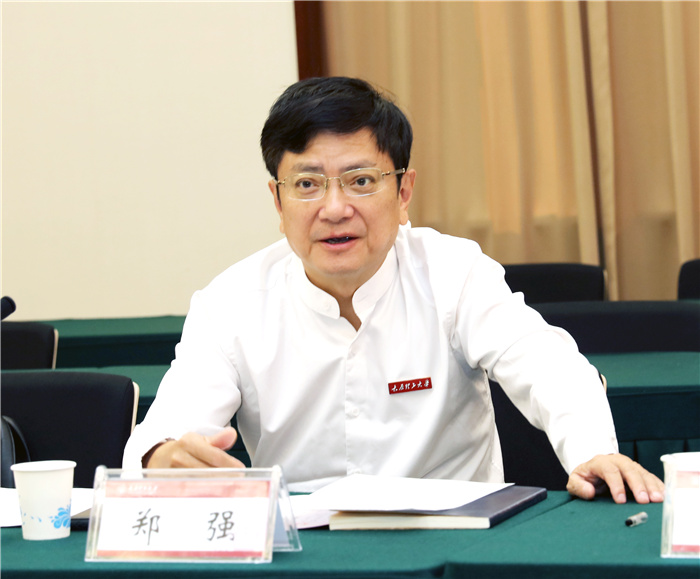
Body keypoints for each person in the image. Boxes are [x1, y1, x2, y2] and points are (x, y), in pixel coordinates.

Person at [123, 76, 664, 504]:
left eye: (361, 181)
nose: (335, 208)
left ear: (404, 192)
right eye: (307, 184)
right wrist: (161, 457)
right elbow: (167, 428)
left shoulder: (453, 271)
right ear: (278, 202)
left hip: (455, 540)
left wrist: (592, 452)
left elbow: (549, 366)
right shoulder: (231, 302)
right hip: (306, 553)